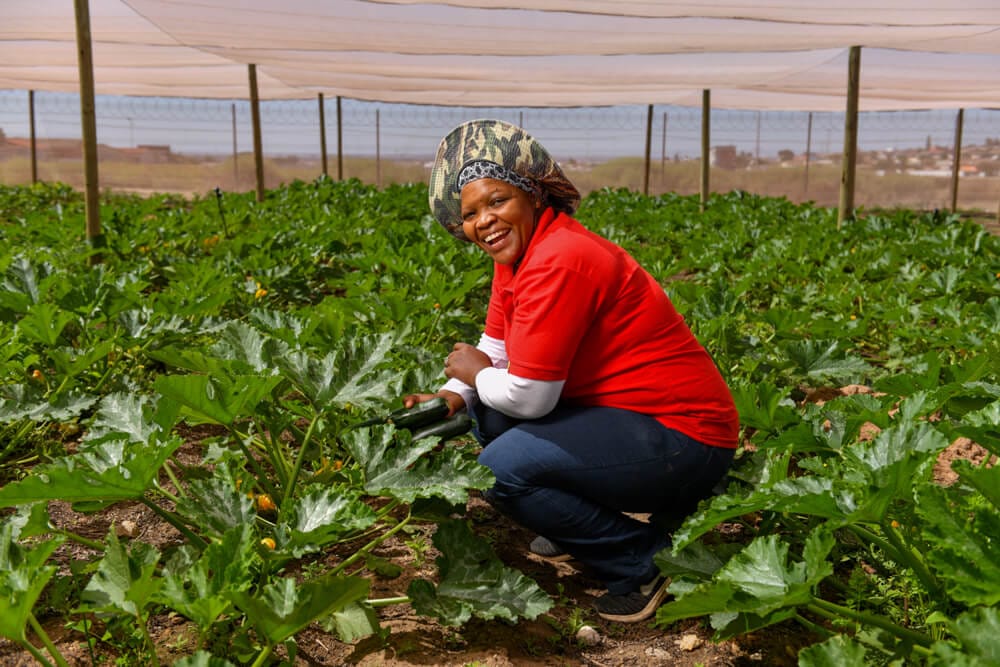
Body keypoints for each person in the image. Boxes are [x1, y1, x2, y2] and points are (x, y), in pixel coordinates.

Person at [403, 119, 739, 624]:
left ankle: (644, 562)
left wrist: (475, 377)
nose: (484, 222)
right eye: (470, 214)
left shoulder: (560, 260)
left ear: (532, 194)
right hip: (629, 419)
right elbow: (494, 343)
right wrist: (453, 393)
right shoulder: (518, 254)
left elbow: (532, 398)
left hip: (685, 437)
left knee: (497, 469)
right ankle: (575, 525)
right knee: (490, 422)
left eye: (497, 201)